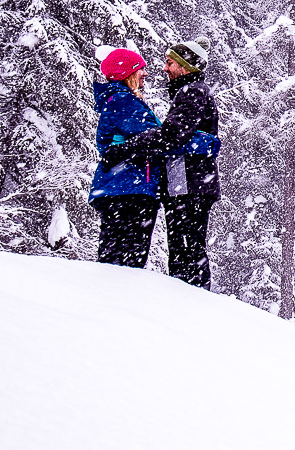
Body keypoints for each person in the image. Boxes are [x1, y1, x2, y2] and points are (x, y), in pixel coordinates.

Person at [104, 40, 219, 289]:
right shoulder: (188, 92)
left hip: (189, 184)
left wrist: (124, 149)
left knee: (186, 248)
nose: (164, 69)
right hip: (186, 183)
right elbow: (178, 136)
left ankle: (191, 299)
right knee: (185, 246)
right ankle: (188, 296)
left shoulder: (193, 92)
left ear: (185, 67)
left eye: (170, 63)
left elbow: (171, 136)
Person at [88, 47, 162, 267]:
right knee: (127, 260)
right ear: (127, 72)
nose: (145, 74)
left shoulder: (119, 100)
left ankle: (112, 295)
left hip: (120, 188)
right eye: (140, 69)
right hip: (128, 188)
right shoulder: (123, 100)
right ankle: (116, 297)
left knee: (116, 255)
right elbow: (153, 137)